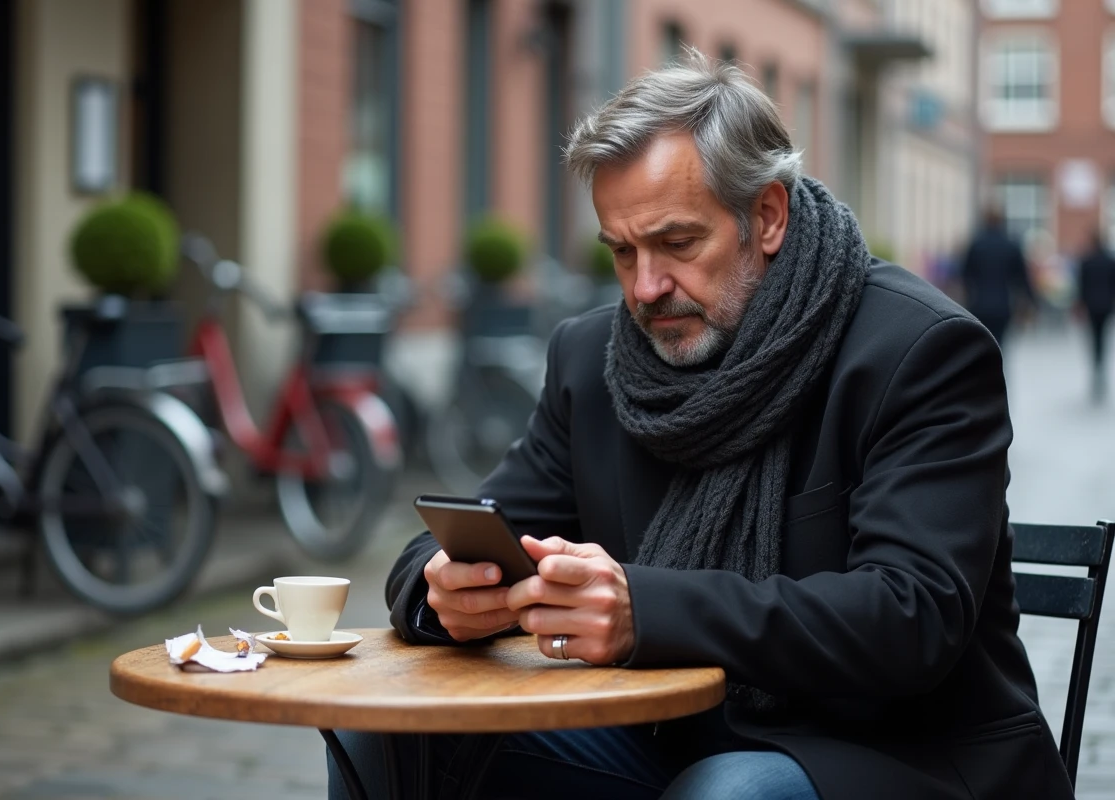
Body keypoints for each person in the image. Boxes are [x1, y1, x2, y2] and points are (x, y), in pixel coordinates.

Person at [330, 50, 1073, 800]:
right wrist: (445, 591)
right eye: (622, 251)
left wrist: (642, 610)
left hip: (900, 756)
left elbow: (910, 617)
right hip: (670, 739)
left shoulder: (918, 350)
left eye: (678, 244)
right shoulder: (592, 358)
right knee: (386, 729)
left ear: (768, 216)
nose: (646, 288)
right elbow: (457, 534)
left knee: (729, 794)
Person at [960, 207, 1037, 347]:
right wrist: (1031, 301)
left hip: (979, 303)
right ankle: (996, 367)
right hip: (1003, 305)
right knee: (999, 343)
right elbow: (1022, 278)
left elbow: (965, 276)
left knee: (981, 344)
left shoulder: (976, 245)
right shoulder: (1011, 245)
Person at [1076, 229, 1115, 401]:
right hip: (1106, 305)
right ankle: (1100, 368)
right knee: (1103, 337)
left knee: (1094, 338)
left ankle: (1096, 367)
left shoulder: (1087, 261)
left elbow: (1082, 287)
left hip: (1091, 305)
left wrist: (1079, 305)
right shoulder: (1110, 261)